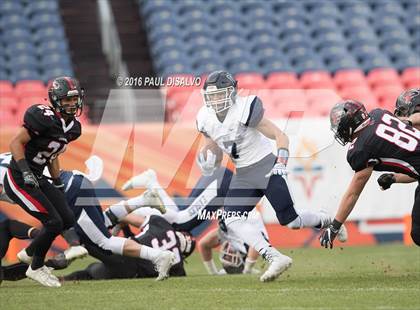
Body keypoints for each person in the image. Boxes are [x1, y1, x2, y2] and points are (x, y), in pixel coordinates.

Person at [3, 76, 85, 287]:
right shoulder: (42, 116)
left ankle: (29, 254)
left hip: (38, 176)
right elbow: (15, 143)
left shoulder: (73, 128)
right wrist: (25, 171)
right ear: (56, 100)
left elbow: (52, 155)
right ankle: (36, 266)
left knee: (67, 218)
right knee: (53, 222)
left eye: (74, 99)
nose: (72, 104)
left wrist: (57, 181)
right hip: (19, 177)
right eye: (67, 100)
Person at [319, 99, 420, 249]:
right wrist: (394, 178)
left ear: (349, 122)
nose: (338, 129)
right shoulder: (379, 114)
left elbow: (353, 193)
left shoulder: (361, 148)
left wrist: (335, 226)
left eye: (339, 124)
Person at [62, 214, 195, 281]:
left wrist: (118, 228)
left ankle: (52, 252)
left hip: (126, 252)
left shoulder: (163, 224)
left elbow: (124, 216)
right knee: (91, 273)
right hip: (129, 271)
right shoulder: (179, 267)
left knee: (85, 238)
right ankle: (62, 278)